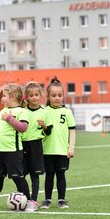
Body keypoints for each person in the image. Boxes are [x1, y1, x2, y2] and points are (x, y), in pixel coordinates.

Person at [0, 84, 36, 212]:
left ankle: (30, 202)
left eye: (4, 96)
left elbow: (23, 128)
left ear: (13, 97)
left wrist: (10, 119)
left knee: (18, 177)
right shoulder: (3, 111)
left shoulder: (22, 111)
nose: (2, 99)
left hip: (13, 151)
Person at [40, 77, 76, 209]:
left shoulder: (67, 112)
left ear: (63, 96)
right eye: (54, 95)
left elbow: (72, 131)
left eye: (60, 95)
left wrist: (71, 148)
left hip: (62, 150)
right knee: (49, 176)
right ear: (48, 97)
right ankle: (47, 199)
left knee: (61, 175)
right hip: (47, 150)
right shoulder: (44, 111)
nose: (57, 98)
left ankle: (61, 200)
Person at [21, 82, 47, 210]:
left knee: (34, 175)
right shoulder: (23, 111)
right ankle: (23, 198)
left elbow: (48, 132)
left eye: (37, 95)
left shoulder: (44, 111)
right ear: (27, 97)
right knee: (21, 174)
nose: (34, 97)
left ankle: (34, 200)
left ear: (41, 96)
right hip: (22, 145)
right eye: (31, 95)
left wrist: (44, 126)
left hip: (36, 145)